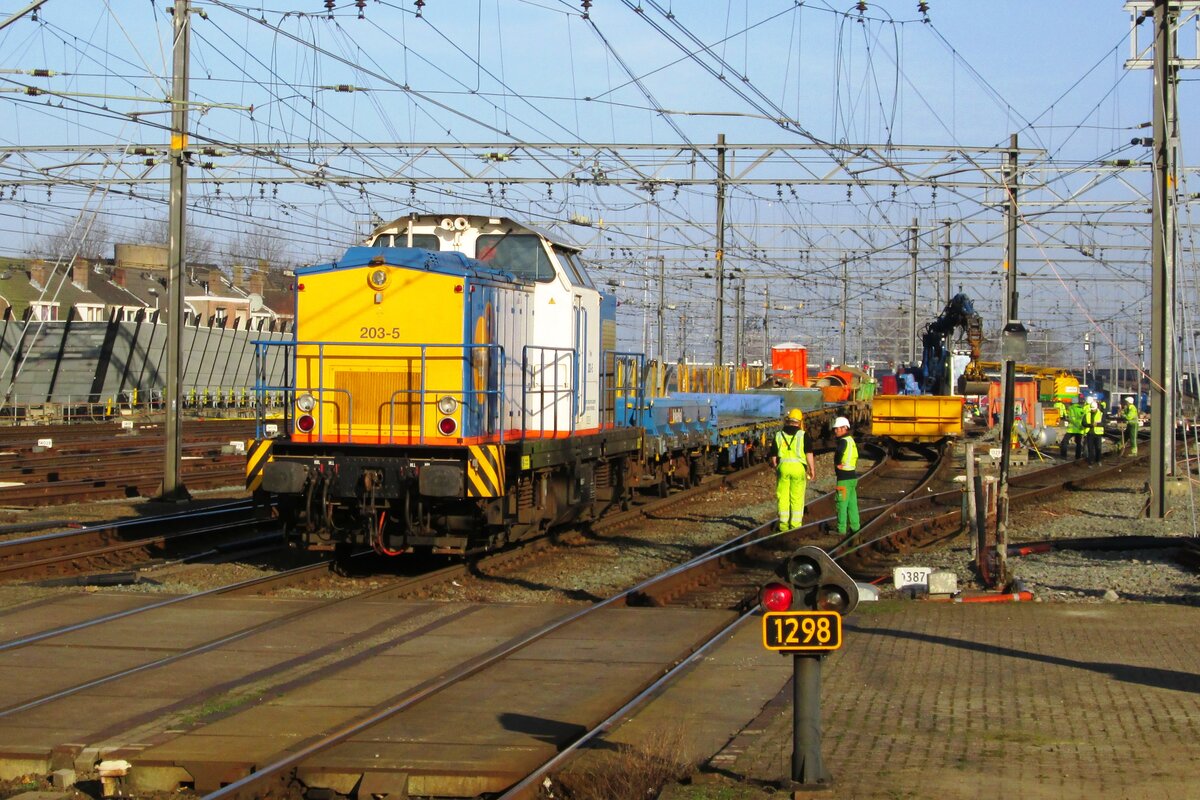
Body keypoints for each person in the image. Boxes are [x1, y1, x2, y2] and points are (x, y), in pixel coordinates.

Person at [769, 408, 816, 531]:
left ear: (788, 421)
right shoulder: (803, 435)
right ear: (800, 422)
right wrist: (812, 469)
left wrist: (777, 468)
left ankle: (783, 525)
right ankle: (795, 526)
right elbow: (809, 453)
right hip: (798, 469)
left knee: (782, 497)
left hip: (783, 468)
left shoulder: (779, 435)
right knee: (797, 498)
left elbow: (773, 458)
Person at [832, 416, 860, 537]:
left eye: (837, 428)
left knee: (841, 504)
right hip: (852, 477)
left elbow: (839, 453)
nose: (835, 431)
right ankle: (855, 527)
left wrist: (837, 464)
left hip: (843, 479)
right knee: (852, 504)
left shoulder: (843, 441)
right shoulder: (851, 441)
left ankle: (841, 529)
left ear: (844, 428)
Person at [1084, 398, 1104, 465]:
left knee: (1098, 448)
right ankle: (1091, 461)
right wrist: (1090, 425)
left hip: (1098, 433)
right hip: (1090, 433)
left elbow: (1104, 423)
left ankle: (1098, 460)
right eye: (1092, 409)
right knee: (1090, 448)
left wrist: (1097, 424)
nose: (1093, 410)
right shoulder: (1087, 414)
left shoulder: (1101, 414)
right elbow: (1083, 423)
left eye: (1094, 409)